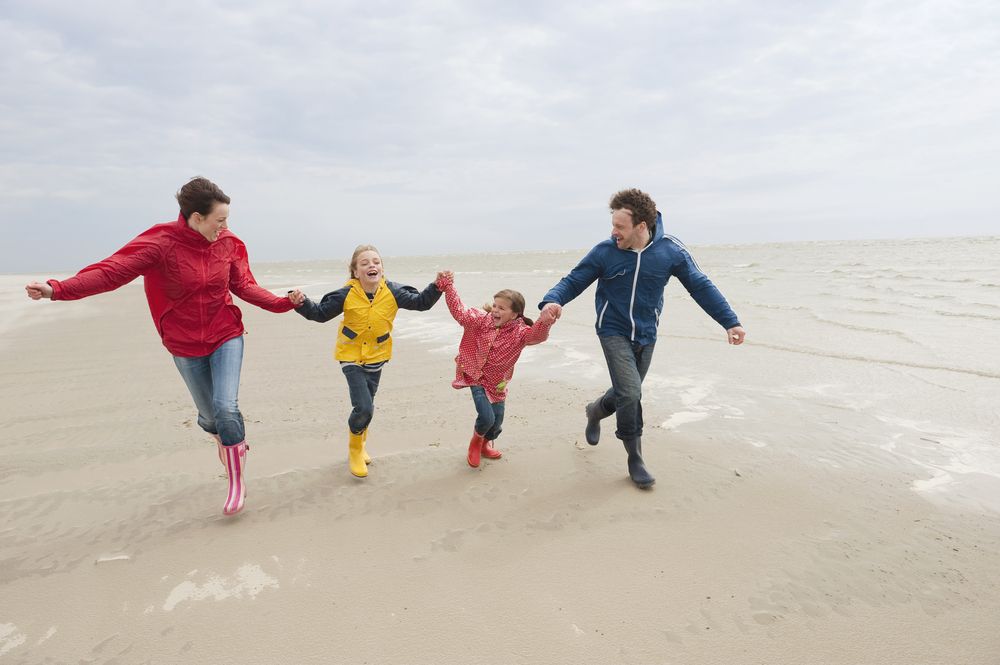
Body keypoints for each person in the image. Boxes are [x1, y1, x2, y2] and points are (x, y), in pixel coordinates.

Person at [24, 176, 301, 515]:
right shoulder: (160, 243)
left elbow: (243, 284)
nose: (225, 227)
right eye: (220, 220)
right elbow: (111, 272)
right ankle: (227, 441)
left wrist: (282, 303)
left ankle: (236, 482)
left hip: (226, 333)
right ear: (196, 217)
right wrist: (57, 289)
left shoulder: (229, 244)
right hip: (183, 342)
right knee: (211, 419)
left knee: (226, 408)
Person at [539, 188, 746, 489]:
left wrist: (730, 321)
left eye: (620, 226)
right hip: (612, 330)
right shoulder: (605, 252)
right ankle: (634, 457)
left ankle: (595, 410)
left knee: (626, 392)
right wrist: (552, 300)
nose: (613, 232)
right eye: (612, 225)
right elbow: (573, 280)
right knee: (631, 392)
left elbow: (700, 286)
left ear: (641, 226)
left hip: (647, 334)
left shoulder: (670, 250)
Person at [290, 245, 444, 478]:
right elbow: (320, 313)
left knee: (368, 405)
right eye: (364, 263)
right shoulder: (346, 294)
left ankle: (361, 444)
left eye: (376, 262)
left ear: (382, 268)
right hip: (350, 355)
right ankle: (354, 450)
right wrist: (301, 302)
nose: (372, 265)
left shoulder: (393, 291)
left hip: (377, 355)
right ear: (355, 272)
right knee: (363, 407)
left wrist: (437, 286)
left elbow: (421, 302)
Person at [435, 272, 556, 468]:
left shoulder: (520, 333)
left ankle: (485, 444)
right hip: (476, 375)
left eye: (502, 308)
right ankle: (475, 443)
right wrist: (448, 287)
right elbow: (459, 311)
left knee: (497, 422)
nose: (495, 311)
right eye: (494, 306)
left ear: (515, 314)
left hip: (498, 383)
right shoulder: (481, 321)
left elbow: (538, 336)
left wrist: (545, 321)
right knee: (486, 417)